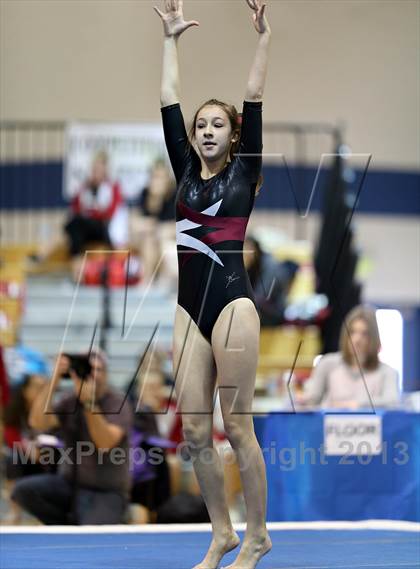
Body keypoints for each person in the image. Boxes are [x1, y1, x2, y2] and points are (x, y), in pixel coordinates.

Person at [154, 1, 272, 568]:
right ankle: (222, 532)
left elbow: (253, 96)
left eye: (216, 124)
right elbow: (168, 103)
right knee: (196, 431)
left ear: (233, 136)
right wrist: (171, 40)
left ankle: (257, 536)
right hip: (188, 307)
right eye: (200, 125)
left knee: (236, 425)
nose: (204, 130)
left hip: (232, 303)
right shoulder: (182, 170)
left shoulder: (244, 170)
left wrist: (263, 39)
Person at [11, 350, 134, 525]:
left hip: (106, 491)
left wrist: (88, 403)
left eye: (98, 370)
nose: (94, 375)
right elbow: (37, 422)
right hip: (69, 485)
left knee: (92, 535)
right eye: (88, 369)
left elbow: (105, 443)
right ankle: (66, 526)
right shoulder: (69, 400)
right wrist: (54, 379)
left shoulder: (118, 402)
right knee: (23, 491)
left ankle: (85, 522)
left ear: (106, 374)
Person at [295, 305, 400, 410]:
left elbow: (392, 402)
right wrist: (302, 400)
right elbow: (312, 399)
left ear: (373, 338)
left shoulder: (388, 372)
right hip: (331, 424)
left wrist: (357, 404)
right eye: (352, 332)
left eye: (364, 334)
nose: (357, 339)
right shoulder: (327, 364)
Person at [243, 235, 299, 326]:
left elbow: (262, 297)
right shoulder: (253, 265)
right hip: (260, 309)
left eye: (247, 251)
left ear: (256, 249)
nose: (245, 255)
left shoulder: (271, 266)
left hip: (274, 313)